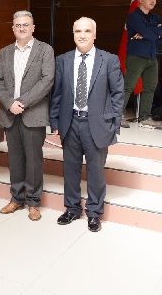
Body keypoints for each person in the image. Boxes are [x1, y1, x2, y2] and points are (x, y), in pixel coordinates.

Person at [50, 17, 124, 232]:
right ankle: (72, 208)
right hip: (70, 122)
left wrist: (113, 124)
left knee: (96, 172)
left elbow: (118, 94)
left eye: (87, 31)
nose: (82, 35)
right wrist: (55, 121)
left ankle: (94, 213)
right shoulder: (63, 60)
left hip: (98, 124)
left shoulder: (109, 60)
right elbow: (57, 94)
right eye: (78, 31)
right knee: (70, 170)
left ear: (94, 34)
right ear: (73, 34)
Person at [0, 10, 54, 221]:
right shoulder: (5, 52)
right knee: (15, 158)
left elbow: (47, 80)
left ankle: (34, 202)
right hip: (10, 113)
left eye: (25, 25)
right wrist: (9, 103)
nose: (22, 28)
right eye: (18, 25)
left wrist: (23, 102)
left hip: (33, 113)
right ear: (13, 28)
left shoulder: (45, 50)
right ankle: (17, 198)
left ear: (33, 28)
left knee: (34, 160)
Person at [122, 0, 161, 129]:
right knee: (128, 87)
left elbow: (151, 33)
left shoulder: (155, 17)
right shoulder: (134, 16)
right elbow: (147, 32)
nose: (153, 1)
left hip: (152, 57)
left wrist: (149, 33)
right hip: (136, 56)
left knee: (150, 88)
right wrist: (154, 32)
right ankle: (118, 116)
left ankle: (145, 118)